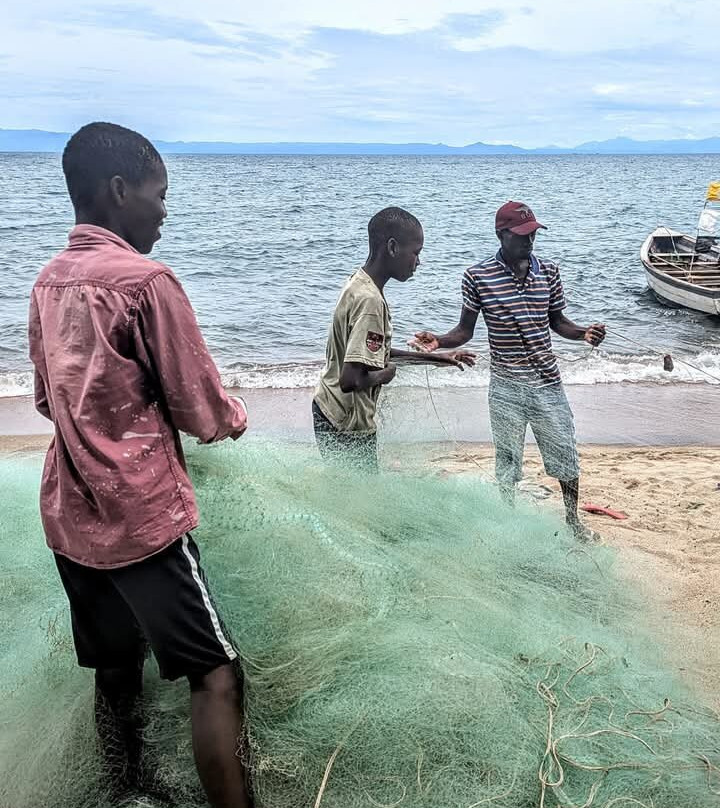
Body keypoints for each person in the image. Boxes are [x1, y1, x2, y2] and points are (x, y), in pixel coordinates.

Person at [28, 122, 253, 808]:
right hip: (141, 521)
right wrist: (234, 416)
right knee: (216, 673)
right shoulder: (147, 281)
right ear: (120, 191)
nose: (164, 210)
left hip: (71, 514)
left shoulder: (48, 280)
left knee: (116, 667)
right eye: (159, 195)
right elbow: (203, 410)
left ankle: (126, 790)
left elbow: (46, 398)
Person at [411, 201, 606, 541]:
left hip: (547, 382)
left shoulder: (549, 271)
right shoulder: (477, 276)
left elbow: (558, 322)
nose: (529, 242)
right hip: (505, 384)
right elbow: (464, 331)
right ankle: (508, 517)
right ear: (501, 234)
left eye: (533, 235)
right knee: (508, 459)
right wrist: (439, 341)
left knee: (565, 453)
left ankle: (573, 522)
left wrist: (584, 333)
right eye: (521, 236)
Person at [313, 206, 475, 470]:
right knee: (360, 501)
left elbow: (375, 354)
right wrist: (384, 376)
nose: (418, 262)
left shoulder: (359, 282)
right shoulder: (370, 303)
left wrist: (438, 358)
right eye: (416, 252)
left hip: (327, 408)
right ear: (392, 247)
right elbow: (350, 380)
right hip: (346, 424)